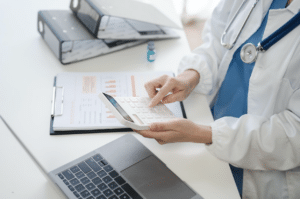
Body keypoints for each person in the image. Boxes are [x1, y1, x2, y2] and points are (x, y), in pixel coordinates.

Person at [134, 0, 300, 198]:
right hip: (205, 126)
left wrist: (205, 134)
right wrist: (190, 75)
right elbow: (218, 41)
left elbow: (294, 134)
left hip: (259, 172)